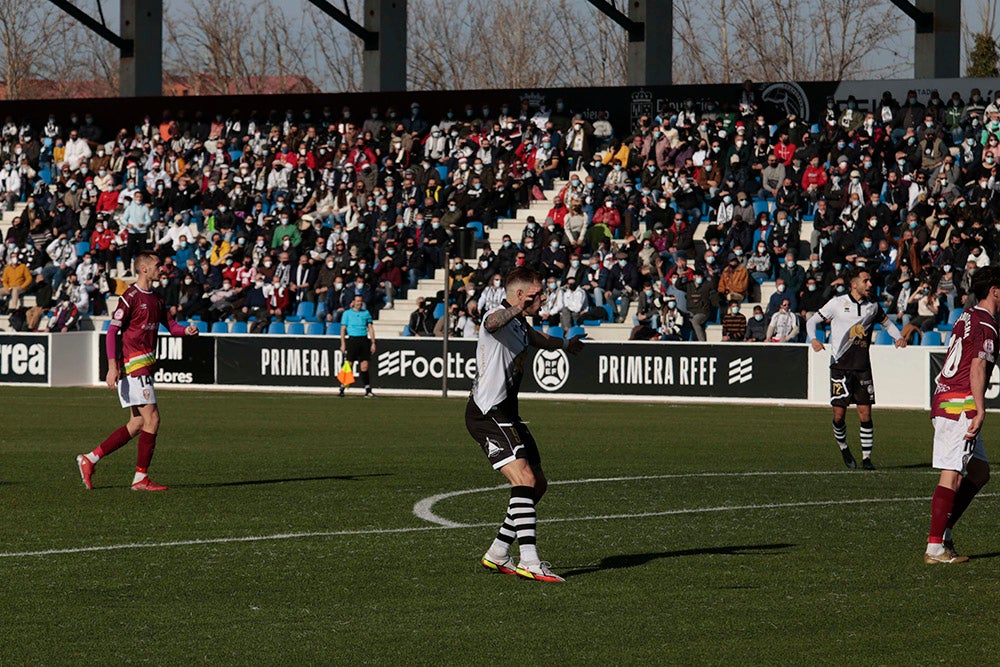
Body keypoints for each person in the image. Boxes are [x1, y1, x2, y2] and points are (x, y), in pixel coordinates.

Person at [469, 267, 584, 583]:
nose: (543, 297)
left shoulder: (519, 324)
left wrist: (565, 345)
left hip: (508, 414)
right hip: (487, 412)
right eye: (537, 293)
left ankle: (497, 552)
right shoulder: (498, 315)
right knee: (524, 477)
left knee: (538, 483)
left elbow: (540, 338)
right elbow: (491, 323)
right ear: (520, 295)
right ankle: (529, 560)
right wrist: (517, 308)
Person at [76, 251, 199, 491]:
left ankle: (89, 459)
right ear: (143, 269)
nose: (161, 268)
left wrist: (186, 331)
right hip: (134, 365)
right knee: (152, 419)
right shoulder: (130, 297)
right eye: (156, 265)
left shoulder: (157, 298)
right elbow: (112, 332)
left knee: (137, 423)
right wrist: (112, 367)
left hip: (144, 364)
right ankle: (140, 478)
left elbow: (171, 326)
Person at [924, 266, 1000, 564]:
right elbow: (978, 366)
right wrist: (980, 409)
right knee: (952, 474)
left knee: (979, 473)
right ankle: (934, 548)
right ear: (995, 290)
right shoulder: (986, 324)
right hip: (959, 406)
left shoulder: (968, 316)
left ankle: (944, 532)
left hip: (949, 399)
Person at [806, 268, 906, 470]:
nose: (870, 284)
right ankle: (844, 448)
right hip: (840, 367)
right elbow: (812, 321)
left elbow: (887, 324)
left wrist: (899, 337)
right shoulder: (837, 303)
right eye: (866, 281)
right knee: (838, 416)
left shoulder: (873, 306)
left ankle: (867, 459)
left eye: (870, 280)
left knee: (865, 415)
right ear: (854, 285)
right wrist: (814, 339)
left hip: (862, 367)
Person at [339, 293, 376, 397]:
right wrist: (343, 343)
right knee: (349, 364)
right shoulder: (347, 314)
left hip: (364, 340)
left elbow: (370, 328)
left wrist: (373, 342)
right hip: (352, 340)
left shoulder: (366, 313)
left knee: (364, 366)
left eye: (361, 301)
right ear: (353, 302)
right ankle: (342, 387)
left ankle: (367, 389)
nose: (359, 303)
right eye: (358, 301)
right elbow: (343, 329)